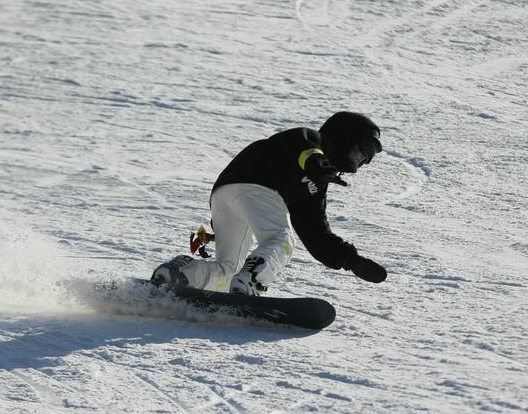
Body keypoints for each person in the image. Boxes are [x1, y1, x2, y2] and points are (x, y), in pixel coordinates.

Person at [151, 111, 388, 295]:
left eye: (366, 159)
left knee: (228, 269)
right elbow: (304, 148)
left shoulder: (315, 185)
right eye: (362, 151)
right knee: (280, 239)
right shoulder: (309, 139)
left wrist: (349, 259)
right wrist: (316, 164)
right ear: (345, 137)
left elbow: (315, 231)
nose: (361, 161)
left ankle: (180, 273)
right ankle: (251, 281)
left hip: (224, 195)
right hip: (257, 184)